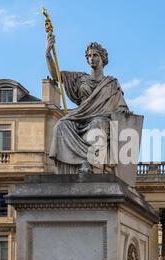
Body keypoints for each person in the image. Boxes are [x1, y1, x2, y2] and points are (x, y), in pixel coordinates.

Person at [46, 34, 131, 173]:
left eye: (95, 55)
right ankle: (69, 169)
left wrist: (125, 112)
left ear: (102, 58)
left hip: (102, 118)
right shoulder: (80, 78)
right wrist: (48, 54)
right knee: (61, 124)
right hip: (80, 117)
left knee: (97, 124)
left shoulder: (111, 83)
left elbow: (120, 105)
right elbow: (56, 76)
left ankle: (89, 163)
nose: (92, 58)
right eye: (89, 56)